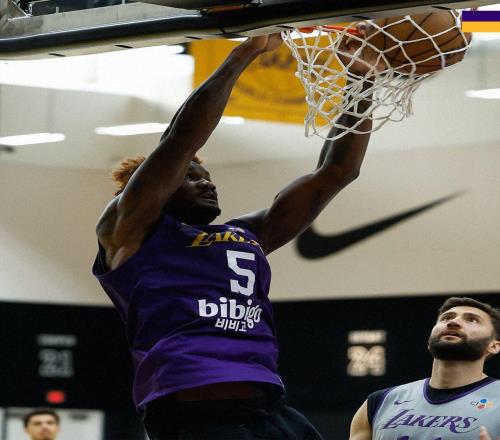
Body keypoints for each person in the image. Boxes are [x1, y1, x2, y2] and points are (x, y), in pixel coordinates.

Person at [93, 33, 373, 439]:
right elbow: (180, 140)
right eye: (191, 177)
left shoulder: (246, 234)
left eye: (207, 176)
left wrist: (361, 80)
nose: (208, 183)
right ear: (155, 185)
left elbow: (336, 172)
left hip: (267, 403)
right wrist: (246, 52)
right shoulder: (129, 232)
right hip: (192, 407)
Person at [349, 296, 500, 440]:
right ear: (429, 342)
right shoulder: (380, 402)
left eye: (472, 320)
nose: (453, 322)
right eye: (446, 318)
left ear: (494, 346)